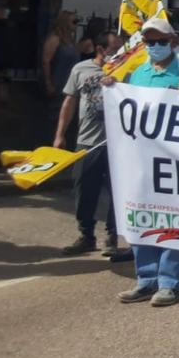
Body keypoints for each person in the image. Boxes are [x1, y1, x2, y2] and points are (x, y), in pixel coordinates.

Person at [104, 17, 179, 307]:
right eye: (150, 42)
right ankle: (145, 279)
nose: (156, 46)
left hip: (174, 160)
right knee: (142, 214)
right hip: (140, 158)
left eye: (161, 41)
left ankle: (169, 282)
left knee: (174, 217)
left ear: (172, 42)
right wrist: (112, 86)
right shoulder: (138, 73)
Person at [54, 31, 125, 257]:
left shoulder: (127, 71)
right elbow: (69, 101)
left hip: (118, 144)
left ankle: (112, 236)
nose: (119, 52)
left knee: (118, 192)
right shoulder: (81, 69)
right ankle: (86, 235)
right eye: (114, 48)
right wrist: (60, 134)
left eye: (121, 49)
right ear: (100, 49)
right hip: (87, 141)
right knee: (84, 190)